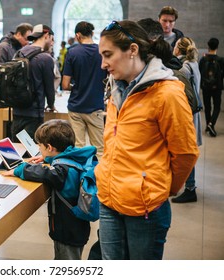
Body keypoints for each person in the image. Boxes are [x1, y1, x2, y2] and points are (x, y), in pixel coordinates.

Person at [96, 20, 199, 259]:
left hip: (145, 208)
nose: (103, 64)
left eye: (108, 55)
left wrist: (161, 188)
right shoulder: (117, 90)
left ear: (132, 50)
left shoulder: (167, 93)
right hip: (109, 200)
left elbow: (185, 152)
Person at [2, 119, 95, 260]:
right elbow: (63, 161)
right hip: (77, 228)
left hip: (67, 231)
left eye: (40, 146)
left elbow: (45, 174)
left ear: (50, 147)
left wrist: (20, 169)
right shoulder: (75, 157)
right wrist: (48, 159)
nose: (39, 148)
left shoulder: (61, 172)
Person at [62, 21, 107, 157]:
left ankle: (78, 177)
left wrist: (77, 87)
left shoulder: (72, 52)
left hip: (75, 107)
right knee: (99, 149)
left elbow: (65, 85)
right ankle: (96, 178)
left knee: (78, 147)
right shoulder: (102, 52)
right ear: (92, 34)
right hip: (95, 107)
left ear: (77, 35)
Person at [0, 23, 33, 141]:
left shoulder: (21, 48)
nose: (28, 42)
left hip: (11, 99)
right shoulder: (4, 47)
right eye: (26, 38)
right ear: (18, 34)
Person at [10, 24, 56, 141]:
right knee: (31, 151)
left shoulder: (19, 53)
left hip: (17, 109)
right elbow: (49, 87)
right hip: (34, 113)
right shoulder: (45, 58)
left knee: (18, 148)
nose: (52, 43)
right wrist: (51, 104)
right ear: (46, 35)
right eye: (52, 39)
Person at [171, 37, 202, 203]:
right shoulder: (194, 64)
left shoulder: (183, 69)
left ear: (178, 49)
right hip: (194, 114)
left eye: (175, 45)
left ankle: (190, 188)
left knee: (186, 149)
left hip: (187, 114)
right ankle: (189, 185)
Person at [199, 38, 224, 137]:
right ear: (217, 47)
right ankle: (211, 124)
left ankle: (208, 126)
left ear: (208, 46)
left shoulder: (203, 59)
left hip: (205, 87)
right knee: (217, 107)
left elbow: (200, 72)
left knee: (208, 107)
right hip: (217, 87)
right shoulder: (221, 60)